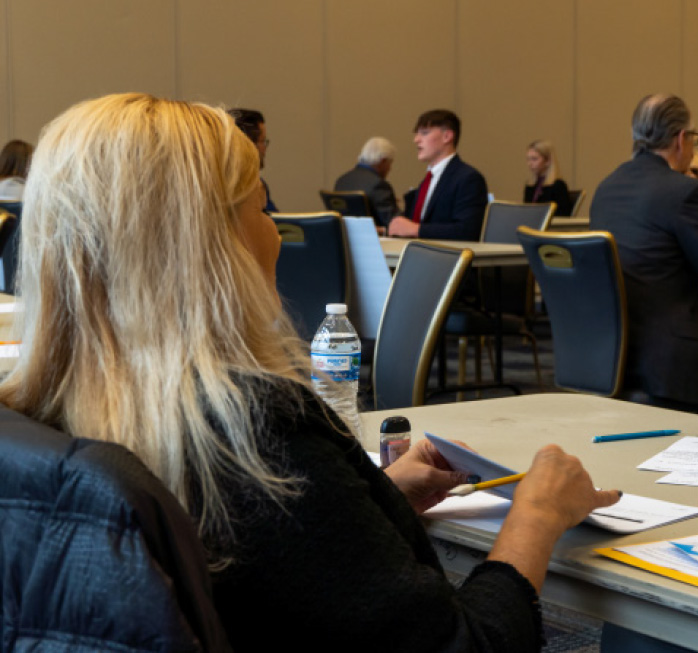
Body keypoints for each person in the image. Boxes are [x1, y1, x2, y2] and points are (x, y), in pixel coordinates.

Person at [0, 92, 620, 650]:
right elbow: (464, 646)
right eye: (258, 204)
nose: (272, 226)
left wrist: (370, 498)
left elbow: (248, 544)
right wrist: (534, 517)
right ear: (216, 247)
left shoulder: (37, 413)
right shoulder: (260, 438)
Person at [590, 93, 698, 415]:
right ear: (681, 139)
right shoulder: (683, 191)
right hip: (673, 362)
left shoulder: (606, 188)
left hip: (611, 357)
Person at [389, 109, 489, 241]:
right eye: (417, 134)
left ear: (447, 136)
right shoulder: (427, 180)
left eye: (424, 133)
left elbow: (467, 230)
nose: (416, 140)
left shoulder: (468, 178)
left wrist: (416, 229)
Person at [334, 136, 401, 233]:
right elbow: (394, 224)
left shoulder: (341, 181)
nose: (390, 169)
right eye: (390, 164)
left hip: (346, 243)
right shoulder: (379, 185)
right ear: (383, 161)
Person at [228, 108, 277, 212]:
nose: (265, 148)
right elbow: (278, 223)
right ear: (249, 145)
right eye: (263, 141)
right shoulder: (253, 190)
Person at [523, 139, 574, 216]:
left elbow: (563, 216)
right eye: (528, 159)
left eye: (534, 159)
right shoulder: (530, 186)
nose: (529, 164)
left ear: (547, 161)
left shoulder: (558, 186)